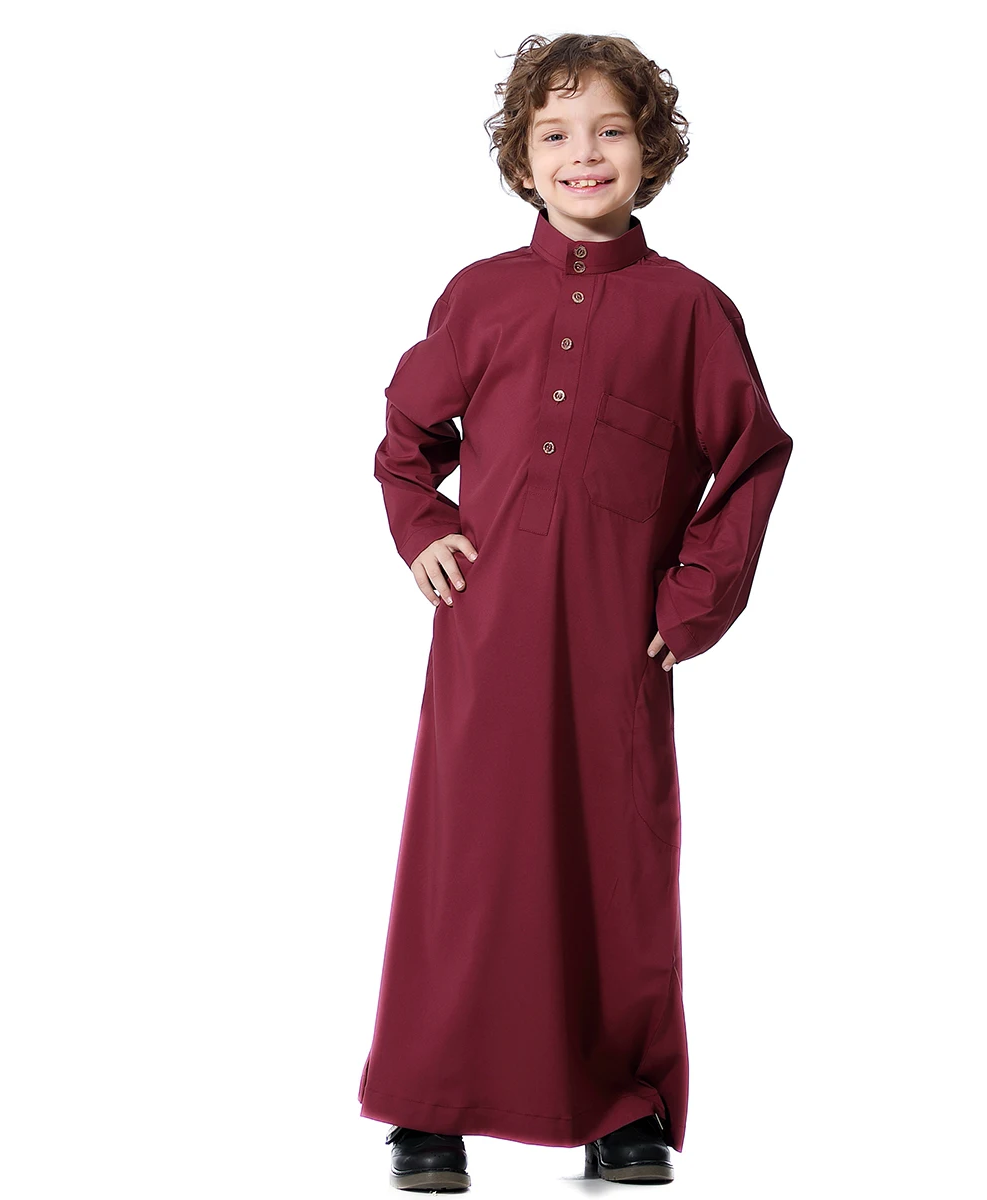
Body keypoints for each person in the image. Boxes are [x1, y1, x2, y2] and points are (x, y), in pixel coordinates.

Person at [357, 31, 794, 1192]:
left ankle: (623, 1106)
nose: (582, 154)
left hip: (615, 651)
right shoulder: (482, 297)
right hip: (487, 639)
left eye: (609, 130)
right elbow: (407, 440)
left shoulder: (691, 311)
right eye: (554, 133)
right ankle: (429, 1107)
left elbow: (752, 458)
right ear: (521, 159)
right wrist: (423, 526)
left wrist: (692, 602)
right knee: (466, 867)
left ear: (650, 152)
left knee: (617, 867)